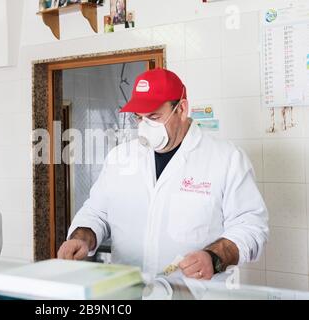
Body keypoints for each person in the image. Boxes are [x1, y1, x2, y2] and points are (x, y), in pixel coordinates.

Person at [58, 68, 269, 281]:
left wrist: (213, 257)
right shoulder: (119, 158)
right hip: (130, 290)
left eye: (153, 117)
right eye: (138, 118)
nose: (144, 126)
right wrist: (81, 237)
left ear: (181, 109)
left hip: (194, 294)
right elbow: (97, 212)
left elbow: (251, 226)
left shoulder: (226, 159)